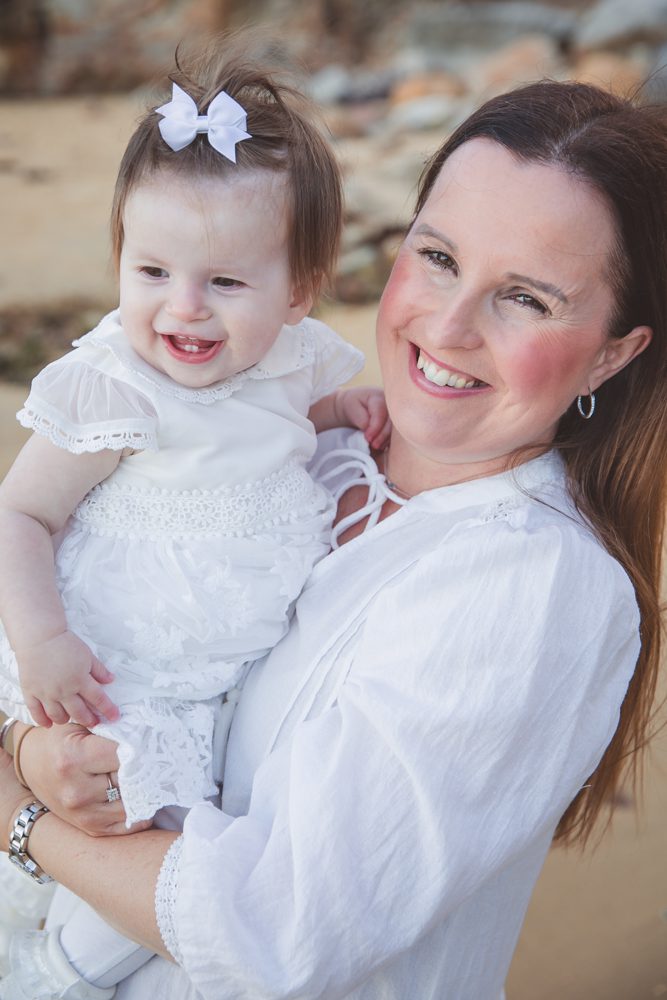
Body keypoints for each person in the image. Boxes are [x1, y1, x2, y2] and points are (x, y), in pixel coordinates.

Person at [0, 76, 666, 1000]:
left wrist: (19, 815)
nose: (447, 326)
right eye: (436, 257)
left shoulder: (537, 587)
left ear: (611, 351)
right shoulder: (299, 456)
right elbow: (88, 610)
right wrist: (30, 747)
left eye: (525, 298)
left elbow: (272, 931)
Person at [0, 42, 389, 999]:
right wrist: (42, 641)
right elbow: (19, 511)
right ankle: (50, 971)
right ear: (121, 260)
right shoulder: (116, 386)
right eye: (153, 271)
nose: (184, 309)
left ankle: (64, 955)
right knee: (127, 835)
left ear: (297, 290)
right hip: (113, 672)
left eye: (224, 282)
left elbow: (273, 422)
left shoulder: (289, 362)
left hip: (211, 685)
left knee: (175, 854)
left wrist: (337, 413)